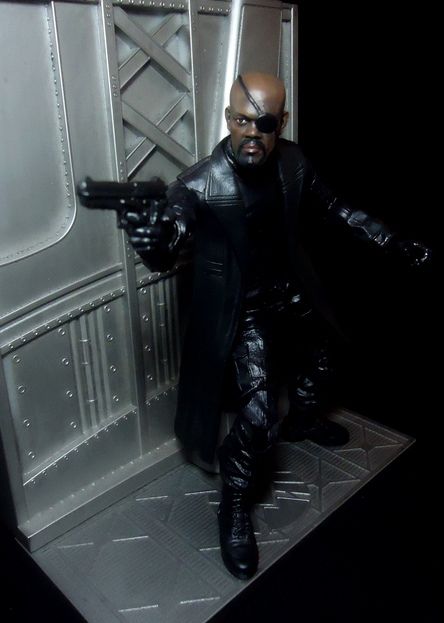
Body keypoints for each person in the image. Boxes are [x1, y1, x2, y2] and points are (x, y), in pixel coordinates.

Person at [119, 73, 430, 580]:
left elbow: (337, 208)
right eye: (242, 121)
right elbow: (170, 238)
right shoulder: (197, 184)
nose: (252, 134)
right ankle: (234, 505)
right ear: (228, 119)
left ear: (280, 123)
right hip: (242, 310)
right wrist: (153, 238)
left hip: (292, 289)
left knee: (328, 354)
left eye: (264, 124)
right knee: (259, 418)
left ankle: (303, 419)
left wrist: (390, 239)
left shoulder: (292, 162)